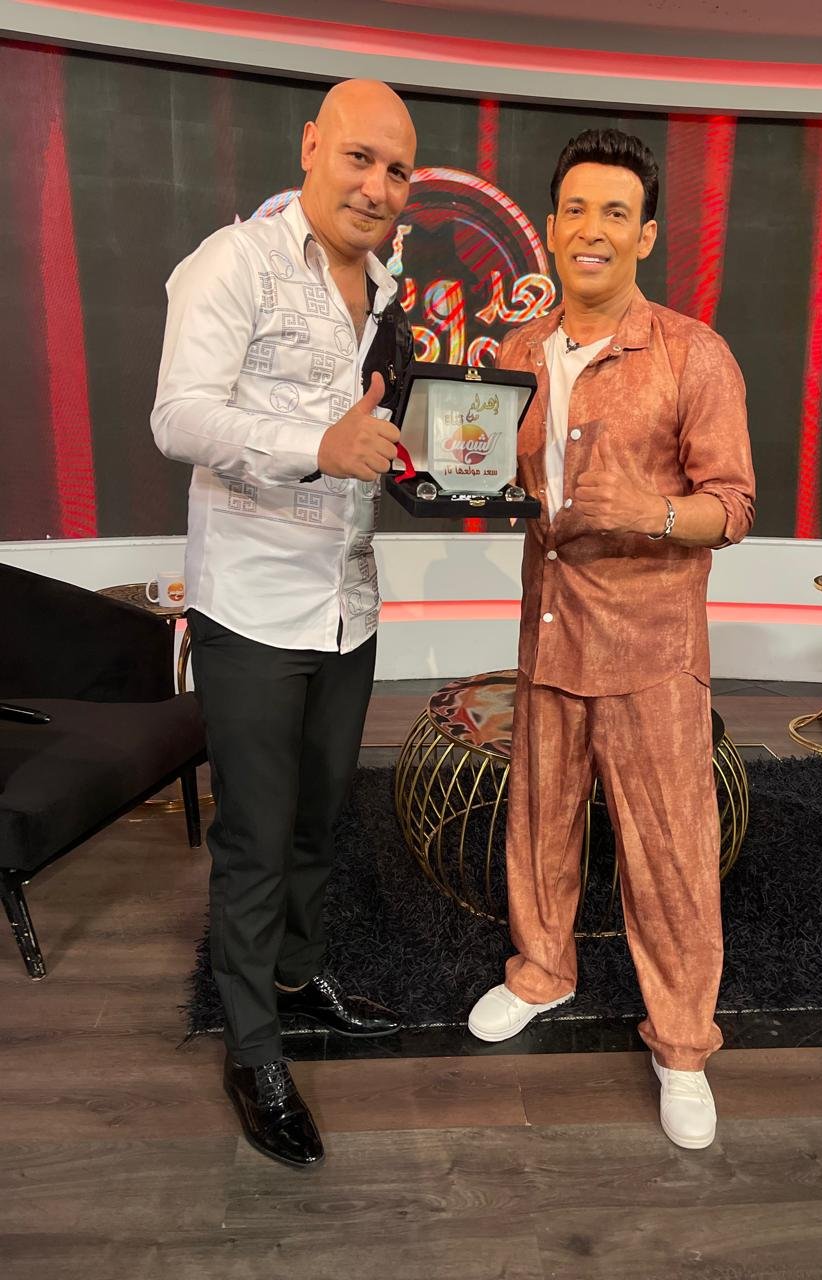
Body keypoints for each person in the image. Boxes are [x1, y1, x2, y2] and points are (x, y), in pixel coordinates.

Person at [467, 128, 755, 1151]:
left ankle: (682, 1046)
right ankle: (543, 971)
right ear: (551, 227)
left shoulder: (691, 352)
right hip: (549, 632)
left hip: (651, 648)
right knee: (539, 823)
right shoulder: (514, 355)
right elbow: (482, 466)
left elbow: (733, 504)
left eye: (616, 213)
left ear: (647, 234)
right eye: (577, 210)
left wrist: (653, 511)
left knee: (670, 853)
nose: (593, 230)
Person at [151, 80, 417, 1169]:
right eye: (360, 158)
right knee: (256, 840)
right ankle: (253, 1049)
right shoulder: (235, 262)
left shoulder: (389, 290)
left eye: (397, 171)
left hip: (347, 601)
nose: (377, 187)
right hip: (255, 606)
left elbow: (379, 435)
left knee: (318, 819)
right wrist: (319, 446)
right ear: (311, 146)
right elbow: (177, 415)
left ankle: (298, 979)